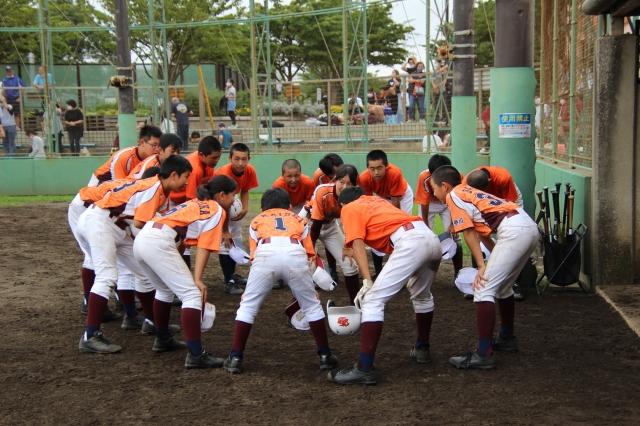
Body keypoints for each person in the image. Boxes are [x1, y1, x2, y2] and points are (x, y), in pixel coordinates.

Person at [76, 156, 193, 354]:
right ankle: (90, 336)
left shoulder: (161, 191)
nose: (187, 182)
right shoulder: (154, 187)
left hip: (116, 225)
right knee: (107, 276)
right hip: (100, 221)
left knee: (143, 273)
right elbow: (140, 223)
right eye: (185, 176)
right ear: (173, 175)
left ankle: (151, 323)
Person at [328, 186, 441, 385]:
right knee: (422, 295)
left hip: (410, 241)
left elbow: (357, 243)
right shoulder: (377, 201)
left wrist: (367, 281)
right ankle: (422, 348)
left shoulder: (349, 207)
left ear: (344, 204)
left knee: (372, 300)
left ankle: (364, 369)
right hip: (431, 238)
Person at [430, 166, 538, 370]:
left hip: (514, 231)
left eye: (434, 188)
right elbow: (482, 234)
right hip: (527, 225)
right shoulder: (467, 191)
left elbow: (468, 232)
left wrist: (481, 266)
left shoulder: (453, 195)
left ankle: (483, 354)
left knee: (482, 288)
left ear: (444, 186)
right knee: (503, 287)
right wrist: (498, 257)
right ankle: (506, 337)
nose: (434, 194)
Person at [222, 188, 338, 375]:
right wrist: (308, 287)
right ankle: (325, 355)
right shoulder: (299, 219)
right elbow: (310, 254)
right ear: (290, 207)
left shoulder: (256, 220)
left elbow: (254, 255)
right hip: (295, 252)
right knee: (311, 305)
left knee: (248, 307)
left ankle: (235, 357)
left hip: (266, 254)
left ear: (262, 208)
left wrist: (249, 291)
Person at [134, 175, 238, 368]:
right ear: (222, 195)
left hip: (144, 238)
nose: (234, 200)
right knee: (191, 295)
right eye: (233, 195)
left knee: (164, 290)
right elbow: (204, 247)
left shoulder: (195, 203)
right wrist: (197, 279)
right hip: (158, 242)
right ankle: (196, 355)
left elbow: (181, 241)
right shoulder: (216, 209)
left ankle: (163, 338)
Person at [67, 167, 161, 323]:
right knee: (101, 268)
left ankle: (133, 316)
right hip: (86, 210)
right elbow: (137, 226)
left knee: (132, 268)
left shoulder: (136, 188)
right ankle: (91, 306)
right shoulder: (142, 192)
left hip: (105, 217)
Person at [464, 166, 526, 300]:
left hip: (507, 201)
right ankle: (477, 280)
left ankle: (514, 284)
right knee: (477, 238)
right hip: (484, 204)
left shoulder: (503, 178)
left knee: (512, 241)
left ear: (489, 182)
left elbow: (510, 206)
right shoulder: (466, 183)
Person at [308, 164, 361, 303]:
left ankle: (355, 304)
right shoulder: (322, 191)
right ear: (335, 180)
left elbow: (351, 224)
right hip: (308, 226)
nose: (345, 187)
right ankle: (301, 308)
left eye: (349, 183)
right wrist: (311, 251)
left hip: (330, 226)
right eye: (341, 182)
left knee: (350, 265)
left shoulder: (355, 196)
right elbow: (315, 226)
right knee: (307, 266)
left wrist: (347, 246)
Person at [169, 136, 223, 269]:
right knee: (180, 237)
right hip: (175, 201)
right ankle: (176, 267)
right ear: (202, 155)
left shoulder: (208, 164)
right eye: (214, 157)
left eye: (218, 157)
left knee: (183, 238)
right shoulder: (195, 169)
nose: (217, 160)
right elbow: (190, 202)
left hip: (186, 200)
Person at [359, 149, 414, 279]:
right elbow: (367, 202)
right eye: (372, 168)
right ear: (367, 168)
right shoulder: (364, 178)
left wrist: (392, 224)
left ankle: (402, 271)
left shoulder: (394, 173)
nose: (376, 172)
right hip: (382, 197)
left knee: (401, 230)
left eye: (379, 168)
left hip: (402, 197)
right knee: (376, 229)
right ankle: (378, 272)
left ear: (386, 166)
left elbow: (395, 203)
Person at [214, 143, 259, 295]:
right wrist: (224, 230)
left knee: (236, 238)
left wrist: (245, 208)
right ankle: (228, 281)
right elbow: (223, 203)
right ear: (230, 158)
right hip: (218, 203)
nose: (240, 163)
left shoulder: (250, 170)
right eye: (237, 159)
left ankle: (232, 275)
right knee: (225, 241)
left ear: (249, 159)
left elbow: (245, 190)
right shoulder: (224, 173)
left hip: (232, 200)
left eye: (244, 159)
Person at [414, 154, 464, 279]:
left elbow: (458, 200)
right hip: (430, 203)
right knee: (424, 237)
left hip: (449, 202)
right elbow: (424, 203)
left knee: (455, 236)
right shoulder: (424, 177)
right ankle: (424, 274)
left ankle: (459, 273)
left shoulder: (457, 176)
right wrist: (425, 225)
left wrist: (453, 223)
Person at [271, 158, 316, 289]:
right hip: (285, 208)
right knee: (282, 238)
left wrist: (305, 214)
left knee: (306, 238)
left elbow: (312, 202)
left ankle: (309, 273)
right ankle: (279, 276)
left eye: (297, 175)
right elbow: (277, 208)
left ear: (301, 173)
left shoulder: (307, 182)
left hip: (303, 207)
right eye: (289, 176)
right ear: (282, 175)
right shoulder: (278, 185)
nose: (293, 179)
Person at [88, 125, 162, 186]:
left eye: (159, 145)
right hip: (99, 185)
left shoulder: (155, 159)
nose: (157, 149)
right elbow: (119, 187)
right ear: (142, 142)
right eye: (154, 145)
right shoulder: (124, 157)